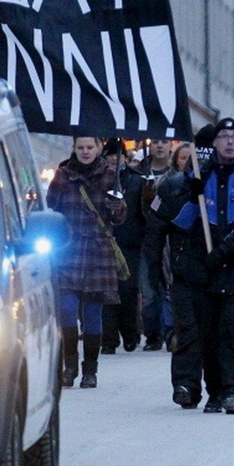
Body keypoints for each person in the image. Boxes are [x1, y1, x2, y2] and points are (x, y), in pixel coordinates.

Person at [147, 118, 234, 414]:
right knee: (207, 333)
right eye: (223, 137)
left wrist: (225, 252)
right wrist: (190, 194)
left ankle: (233, 390)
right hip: (203, 269)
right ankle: (213, 390)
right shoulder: (198, 177)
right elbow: (177, 223)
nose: (229, 142)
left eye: (233, 137)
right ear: (214, 144)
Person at [46, 136, 127, 388]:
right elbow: (50, 209)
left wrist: (117, 206)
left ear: (99, 148)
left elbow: (120, 218)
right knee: (67, 309)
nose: (85, 151)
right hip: (67, 252)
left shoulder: (110, 176)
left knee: (93, 314)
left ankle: (90, 370)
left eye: (90, 147)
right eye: (80, 147)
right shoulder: (62, 176)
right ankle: (69, 365)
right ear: (73, 148)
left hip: (97, 253)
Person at [101, 139, 144, 354]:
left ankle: (129, 333)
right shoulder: (100, 179)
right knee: (107, 291)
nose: (112, 159)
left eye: (116, 155)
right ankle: (108, 338)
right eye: (108, 155)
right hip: (105, 241)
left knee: (128, 290)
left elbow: (142, 211)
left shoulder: (136, 180)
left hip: (130, 242)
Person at [136, 139, 175, 351]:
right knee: (149, 289)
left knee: (169, 286)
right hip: (146, 240)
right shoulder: (138, 173)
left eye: (164, 142)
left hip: (169, 240)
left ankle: (170, 331)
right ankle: (152, 334)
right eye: (156, 142)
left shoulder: (175, 176)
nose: (160, 146)